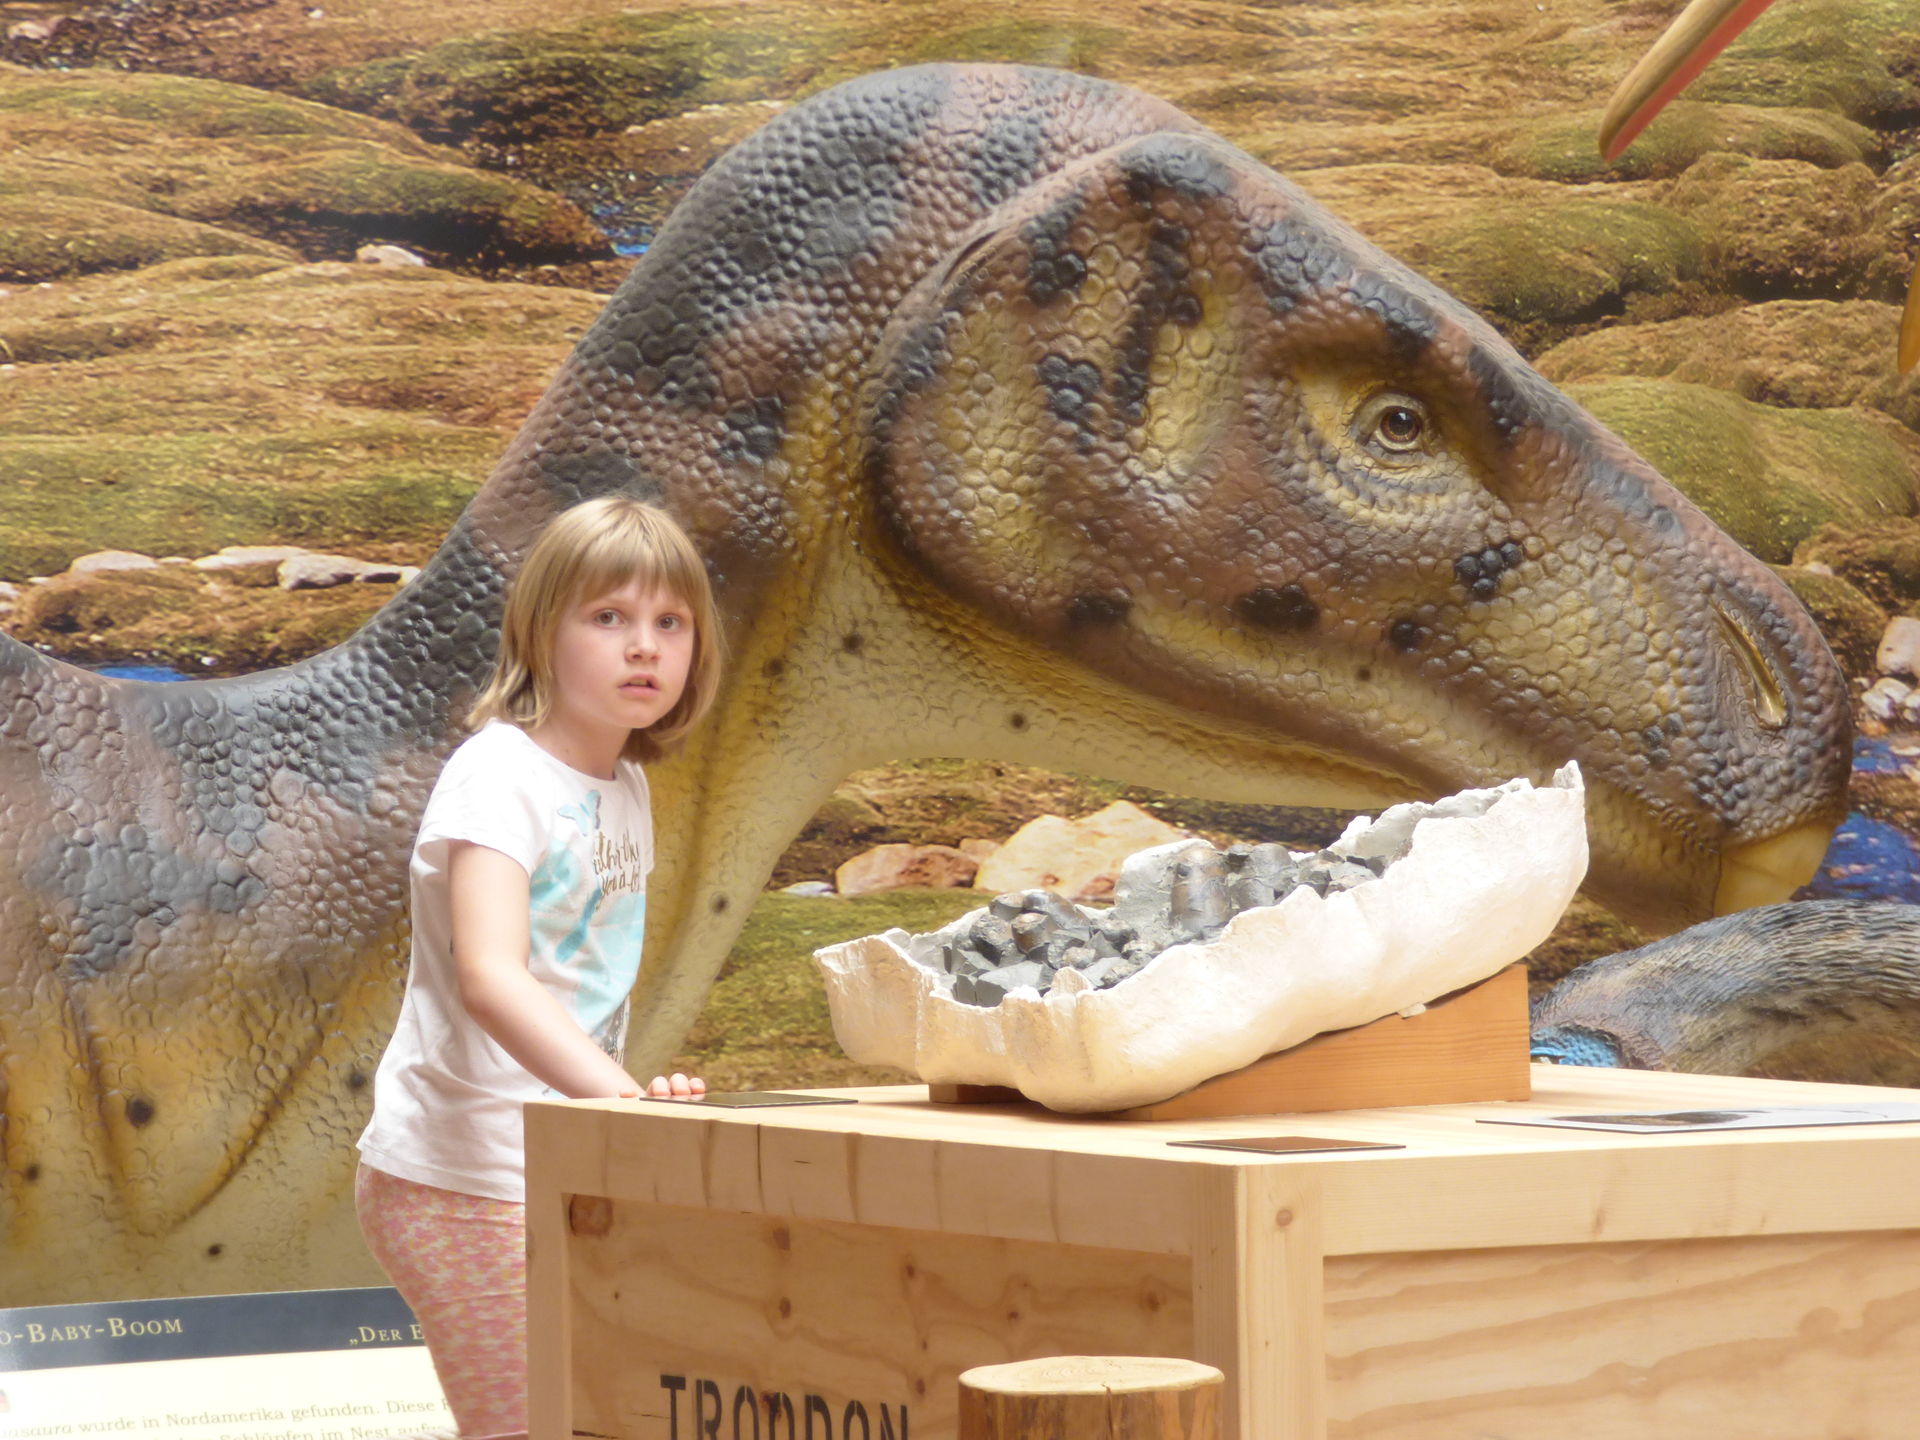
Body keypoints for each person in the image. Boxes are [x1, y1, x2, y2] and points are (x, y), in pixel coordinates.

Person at [355, 495, 725, 1440]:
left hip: (559, 1164)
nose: (643, 647)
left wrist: (636, 1108)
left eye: (670, 623)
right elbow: (492, 976)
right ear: (540, 633)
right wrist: (624, 1102)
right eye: (608, 617)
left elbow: (581, 988)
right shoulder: (500, 774)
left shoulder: (624, 783)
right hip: (463, 1177)